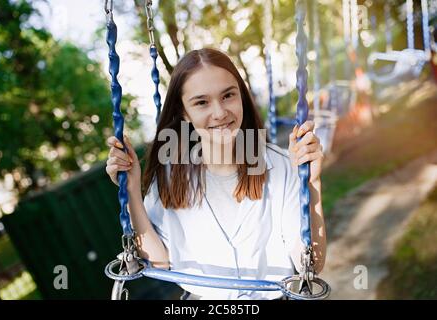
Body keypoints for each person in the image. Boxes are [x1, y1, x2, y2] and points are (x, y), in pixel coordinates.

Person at [106, 48, 326, 300]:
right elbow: (158, 263)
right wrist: (131, 191)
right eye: (201, 102)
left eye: (228, 96)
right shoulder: (169, 177)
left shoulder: (280, 166)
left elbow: (310, 265)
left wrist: (313, 183)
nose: (220, 113)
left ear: (241, 96)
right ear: (183, 113)